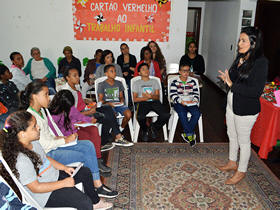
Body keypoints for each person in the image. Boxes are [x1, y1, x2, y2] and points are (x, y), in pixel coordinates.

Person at [19, 80, 118, 198]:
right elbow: (44, 145)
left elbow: (48, 134)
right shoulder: (31, 117)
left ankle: (97, 183)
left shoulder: (42, 110)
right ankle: (97, 186)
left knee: (88, 144)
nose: (49, 98)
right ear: (34, 96)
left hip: (55, 145)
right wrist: (65, 140)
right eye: (45, 94)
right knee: (85, 155)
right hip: (49, 154)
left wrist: (60, 137)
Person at [0, 111, 113, 209]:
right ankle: (90, 204)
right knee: (84, 203)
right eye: (34, 127)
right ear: (22, 134)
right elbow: (36, 188)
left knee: (85, 172)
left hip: (53, 176)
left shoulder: (33, 142)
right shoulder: (21, 160)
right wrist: (62, 183)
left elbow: (46, 158)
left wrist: (64, 167)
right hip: (44, 194)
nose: (38, 128)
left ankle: (96, 202)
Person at [217, 27, 268, 184]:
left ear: (253, 43)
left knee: (244, 141)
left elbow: (255, 91)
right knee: (231, 134)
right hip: (233, 104)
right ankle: (232, 162)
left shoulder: (261, 62)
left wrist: (231, 84)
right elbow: (233, 78)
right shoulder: (241, 57)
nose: (239, 43)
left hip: (246, 109)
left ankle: (242, 171)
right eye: (239, 40)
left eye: (243, 40)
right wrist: (229, 77)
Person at [62, 67, 132, 147]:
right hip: (80, 115)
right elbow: (70, 113)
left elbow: (79, 100)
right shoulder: (66, 92)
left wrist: (87, 101)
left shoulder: (76, 86)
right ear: (67, 78)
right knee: (108, 116)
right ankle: (113, 138)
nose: (78, 77)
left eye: (78, 75)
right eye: (75, 76)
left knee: (108, 109)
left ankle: (107, 140)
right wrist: (89, 112)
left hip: (86, 109)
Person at [48, 89, 112, 173]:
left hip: (76, 129)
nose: (70, 108)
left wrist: (90, 120)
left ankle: (98, 159)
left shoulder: (69, 107)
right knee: (89, 138)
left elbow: (79, 116)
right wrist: (69, 133)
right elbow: (56, 133)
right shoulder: (53, 116)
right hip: (68, 137)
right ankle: (94, 162)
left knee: (93, 129)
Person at [132, 63, 170, 141]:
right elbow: (135, 99)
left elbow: (157, 96)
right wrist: (145, 98)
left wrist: (151, 96)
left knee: (166, 115)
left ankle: (154, 127)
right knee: (140, 117)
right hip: (142, 102)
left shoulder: (154, 81)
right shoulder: (137, 83)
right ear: (139, 73)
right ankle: (145, 130)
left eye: (147, 69)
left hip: (154, 102)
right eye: (143, 69)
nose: (146, 71)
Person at [97, 64, 133, 138]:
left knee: (128, 114)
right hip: (108, 106)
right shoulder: (102, 85)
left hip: (118, 104)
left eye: (115, 71)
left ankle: (120, 129)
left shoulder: (118, 83)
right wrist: (108, 103)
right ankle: (116, 133)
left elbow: (121, 96)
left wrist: (122, 101)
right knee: (113, 114)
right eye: (111, 71)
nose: (114, 73)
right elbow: (100, 100)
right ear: (106, 73)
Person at [170, 63, 200, 147]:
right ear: (179, 71)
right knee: (182, 113)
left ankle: (186, 132)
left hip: (190, 102)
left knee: (197, 113)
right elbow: (172, 94)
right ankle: (190, 134)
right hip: (179, 103)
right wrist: (180, 101)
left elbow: (196, 94)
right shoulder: (175, 82)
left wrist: (194, 100)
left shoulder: (192, 81)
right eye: (184, 71)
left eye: (188, 71)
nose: (186, 73)